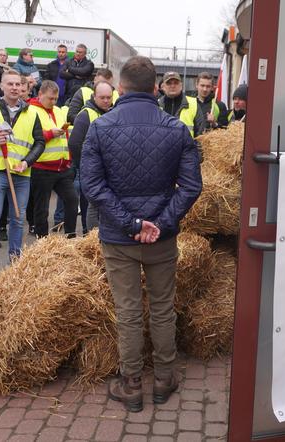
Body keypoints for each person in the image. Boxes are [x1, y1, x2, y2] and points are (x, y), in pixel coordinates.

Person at [81, 56, 202, 412]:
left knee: (129, 310)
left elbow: (92, 185)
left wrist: (130, 224)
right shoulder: (177, 128)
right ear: (155, 89)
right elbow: (192, 186)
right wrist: (160, 223)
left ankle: (131, 383)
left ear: (120, 88)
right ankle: (164, 378)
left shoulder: (101, 128)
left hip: (120, 239)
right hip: (160, 239)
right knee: (163, 308)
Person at [0, 70, 45, 280]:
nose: (14, 88)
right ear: (2, 86)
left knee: (17, 217)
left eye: (17, 84)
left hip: (21, 174)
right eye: (10, 84)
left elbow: (39, 142)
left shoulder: (32, 113)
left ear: (23, 87)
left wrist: (27, 161)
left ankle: (15, 260)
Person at [28, 80, 78, 238]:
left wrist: (69, 158)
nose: (53, 102)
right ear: (40, 94)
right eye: (50, 98)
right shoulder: (30, 111)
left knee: (72, 200)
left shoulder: (58, 110)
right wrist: (49, 134)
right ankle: (42, 241)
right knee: (41, 208)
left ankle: (70, 236)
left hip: (62, 167)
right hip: (41, 167)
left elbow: (67, 133)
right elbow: (28, 136)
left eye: (56, 98)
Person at [68, 80, 113, 233]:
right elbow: (74, 144)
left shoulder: (110, 113)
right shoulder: (85, 115)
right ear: (94, 96)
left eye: (109, 97)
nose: (106, 101)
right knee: (91, 206)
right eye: (103, 97)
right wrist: (87, 167)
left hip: (107, 171)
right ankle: (90, 236)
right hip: (92, 171)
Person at [158, 72, 205, 138]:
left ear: (181, 85)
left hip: (186, 147)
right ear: (163, 86)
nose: (173, 86)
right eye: (169, 83)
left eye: (176, 83)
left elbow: (201, 134)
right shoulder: (156, 105)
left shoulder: (193, 104)